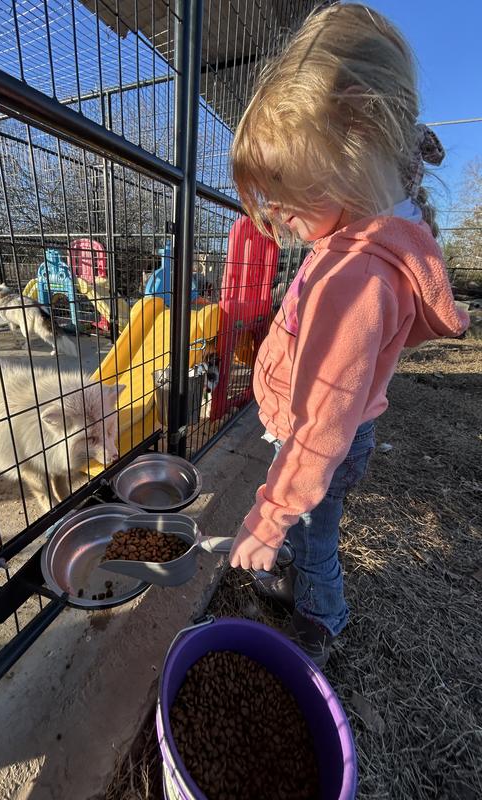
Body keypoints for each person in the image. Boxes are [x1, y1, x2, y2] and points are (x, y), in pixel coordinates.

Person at [227, 3, 469, 667]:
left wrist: (267, 516)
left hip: (319, 443)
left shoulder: (356, 274)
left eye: (286, 188)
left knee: (313, 534)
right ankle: (300, 571)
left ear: (353, 143)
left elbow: (324, 418)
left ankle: (323, 617)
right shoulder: (364, 238)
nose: (275, 213)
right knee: (313, 528)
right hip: (329, 437)